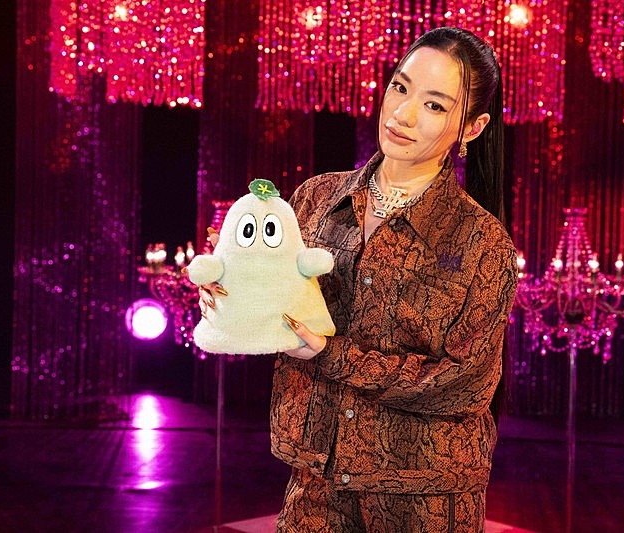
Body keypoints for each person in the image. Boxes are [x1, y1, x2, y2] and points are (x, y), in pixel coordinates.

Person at [203, 26, 516, 532]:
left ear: (473, 128)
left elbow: (465, 385)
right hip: (315, 482)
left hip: (422, 493)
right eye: (400, 87)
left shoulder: (481, 242)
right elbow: (277, 306)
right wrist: (229, 292)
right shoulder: (315, 200)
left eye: (434, 105)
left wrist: (330, 355)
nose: (403, 114)